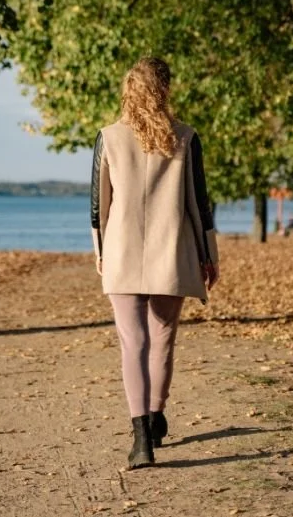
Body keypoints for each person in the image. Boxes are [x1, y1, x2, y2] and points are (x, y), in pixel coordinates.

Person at [90, 57, 219, 470]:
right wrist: (207, 255)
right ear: (165, 90)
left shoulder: (108, 138)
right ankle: (156, 414)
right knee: (162, 337)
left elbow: (98, 208)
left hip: (122, 250)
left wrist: (100, 252)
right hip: (172, 250)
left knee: (135, 342)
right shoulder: (185, 137)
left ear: (128, 91)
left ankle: (141, 437)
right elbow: (199, 205)